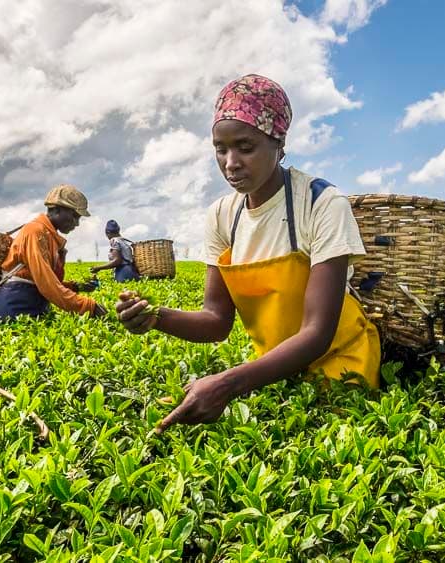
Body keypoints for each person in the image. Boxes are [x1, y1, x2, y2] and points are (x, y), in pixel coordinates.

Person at [116, 74, 380, 432]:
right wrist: (155, 316)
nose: (230, 162)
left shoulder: (320, 203)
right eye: (220, 149)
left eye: (245, 146)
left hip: (340, 364)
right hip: (271, 370)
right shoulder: (223, 215)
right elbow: (216, 321)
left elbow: (317, 332)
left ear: (279, 143)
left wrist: (227, 384)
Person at [0, 184, 107, 320]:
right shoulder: (35, 232)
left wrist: (75, 286)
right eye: (74, 216)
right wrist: (87, 306)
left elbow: (45, 281)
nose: (77, 223)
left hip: (31, 304)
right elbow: (46, 284)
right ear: (57, 210)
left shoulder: (50, 237)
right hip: (13, 307)